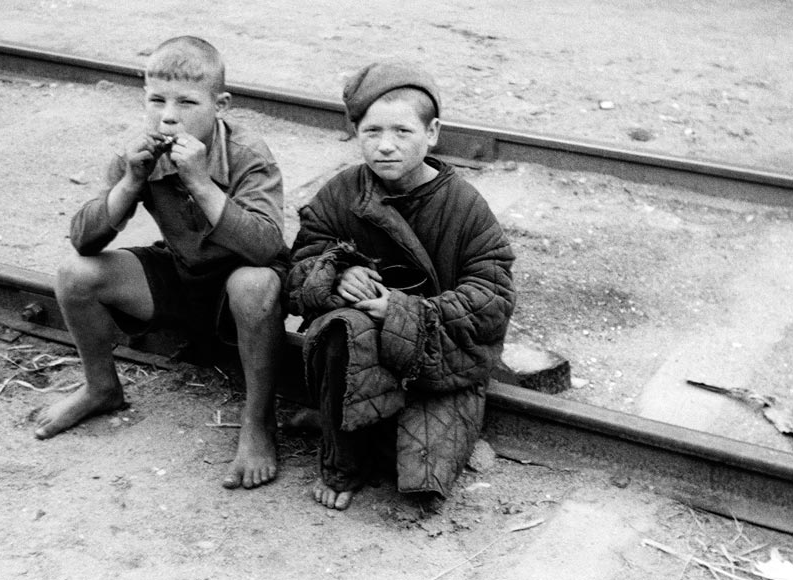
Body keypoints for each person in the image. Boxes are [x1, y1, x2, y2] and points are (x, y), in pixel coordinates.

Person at [35, 36, 287, 490]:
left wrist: (202, 182)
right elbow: (83, 239)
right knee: (75, 275)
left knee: (254, 283)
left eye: (188, 102)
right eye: (156, 100)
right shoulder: (139, 150)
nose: (169, 115)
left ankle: (258, 420)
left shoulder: (249, 153)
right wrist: (131, 181)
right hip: (181, 273)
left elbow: (267, 247)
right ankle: (101, 388)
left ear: (220, 105)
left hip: (239, 282)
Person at [287, 61, 516, 510]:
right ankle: (343, 464)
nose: (385, 147)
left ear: (432, 133)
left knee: (416, 475)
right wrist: (336, 271)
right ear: (355, 132)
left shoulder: (463, 205)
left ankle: (367, 433)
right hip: (361, 350)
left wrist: (399, 310)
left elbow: (492, 300)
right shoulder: (342, 192)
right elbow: (298, 267)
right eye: (371, 132)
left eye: (402, 132)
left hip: (434, 359)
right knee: (341, 330)